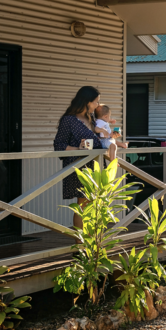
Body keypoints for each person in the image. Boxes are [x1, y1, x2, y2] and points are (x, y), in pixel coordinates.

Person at [53, 86, 114, 230]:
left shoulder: (91, 118)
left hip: (96, 167)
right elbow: (59, 145)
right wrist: (78, 149)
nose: (98, 105)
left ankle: (92, 244)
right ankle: (81, 247)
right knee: (83, 205)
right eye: (96, 102)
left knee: (95, 205)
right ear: (87, 101)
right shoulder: (68, 120)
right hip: (79, 168)